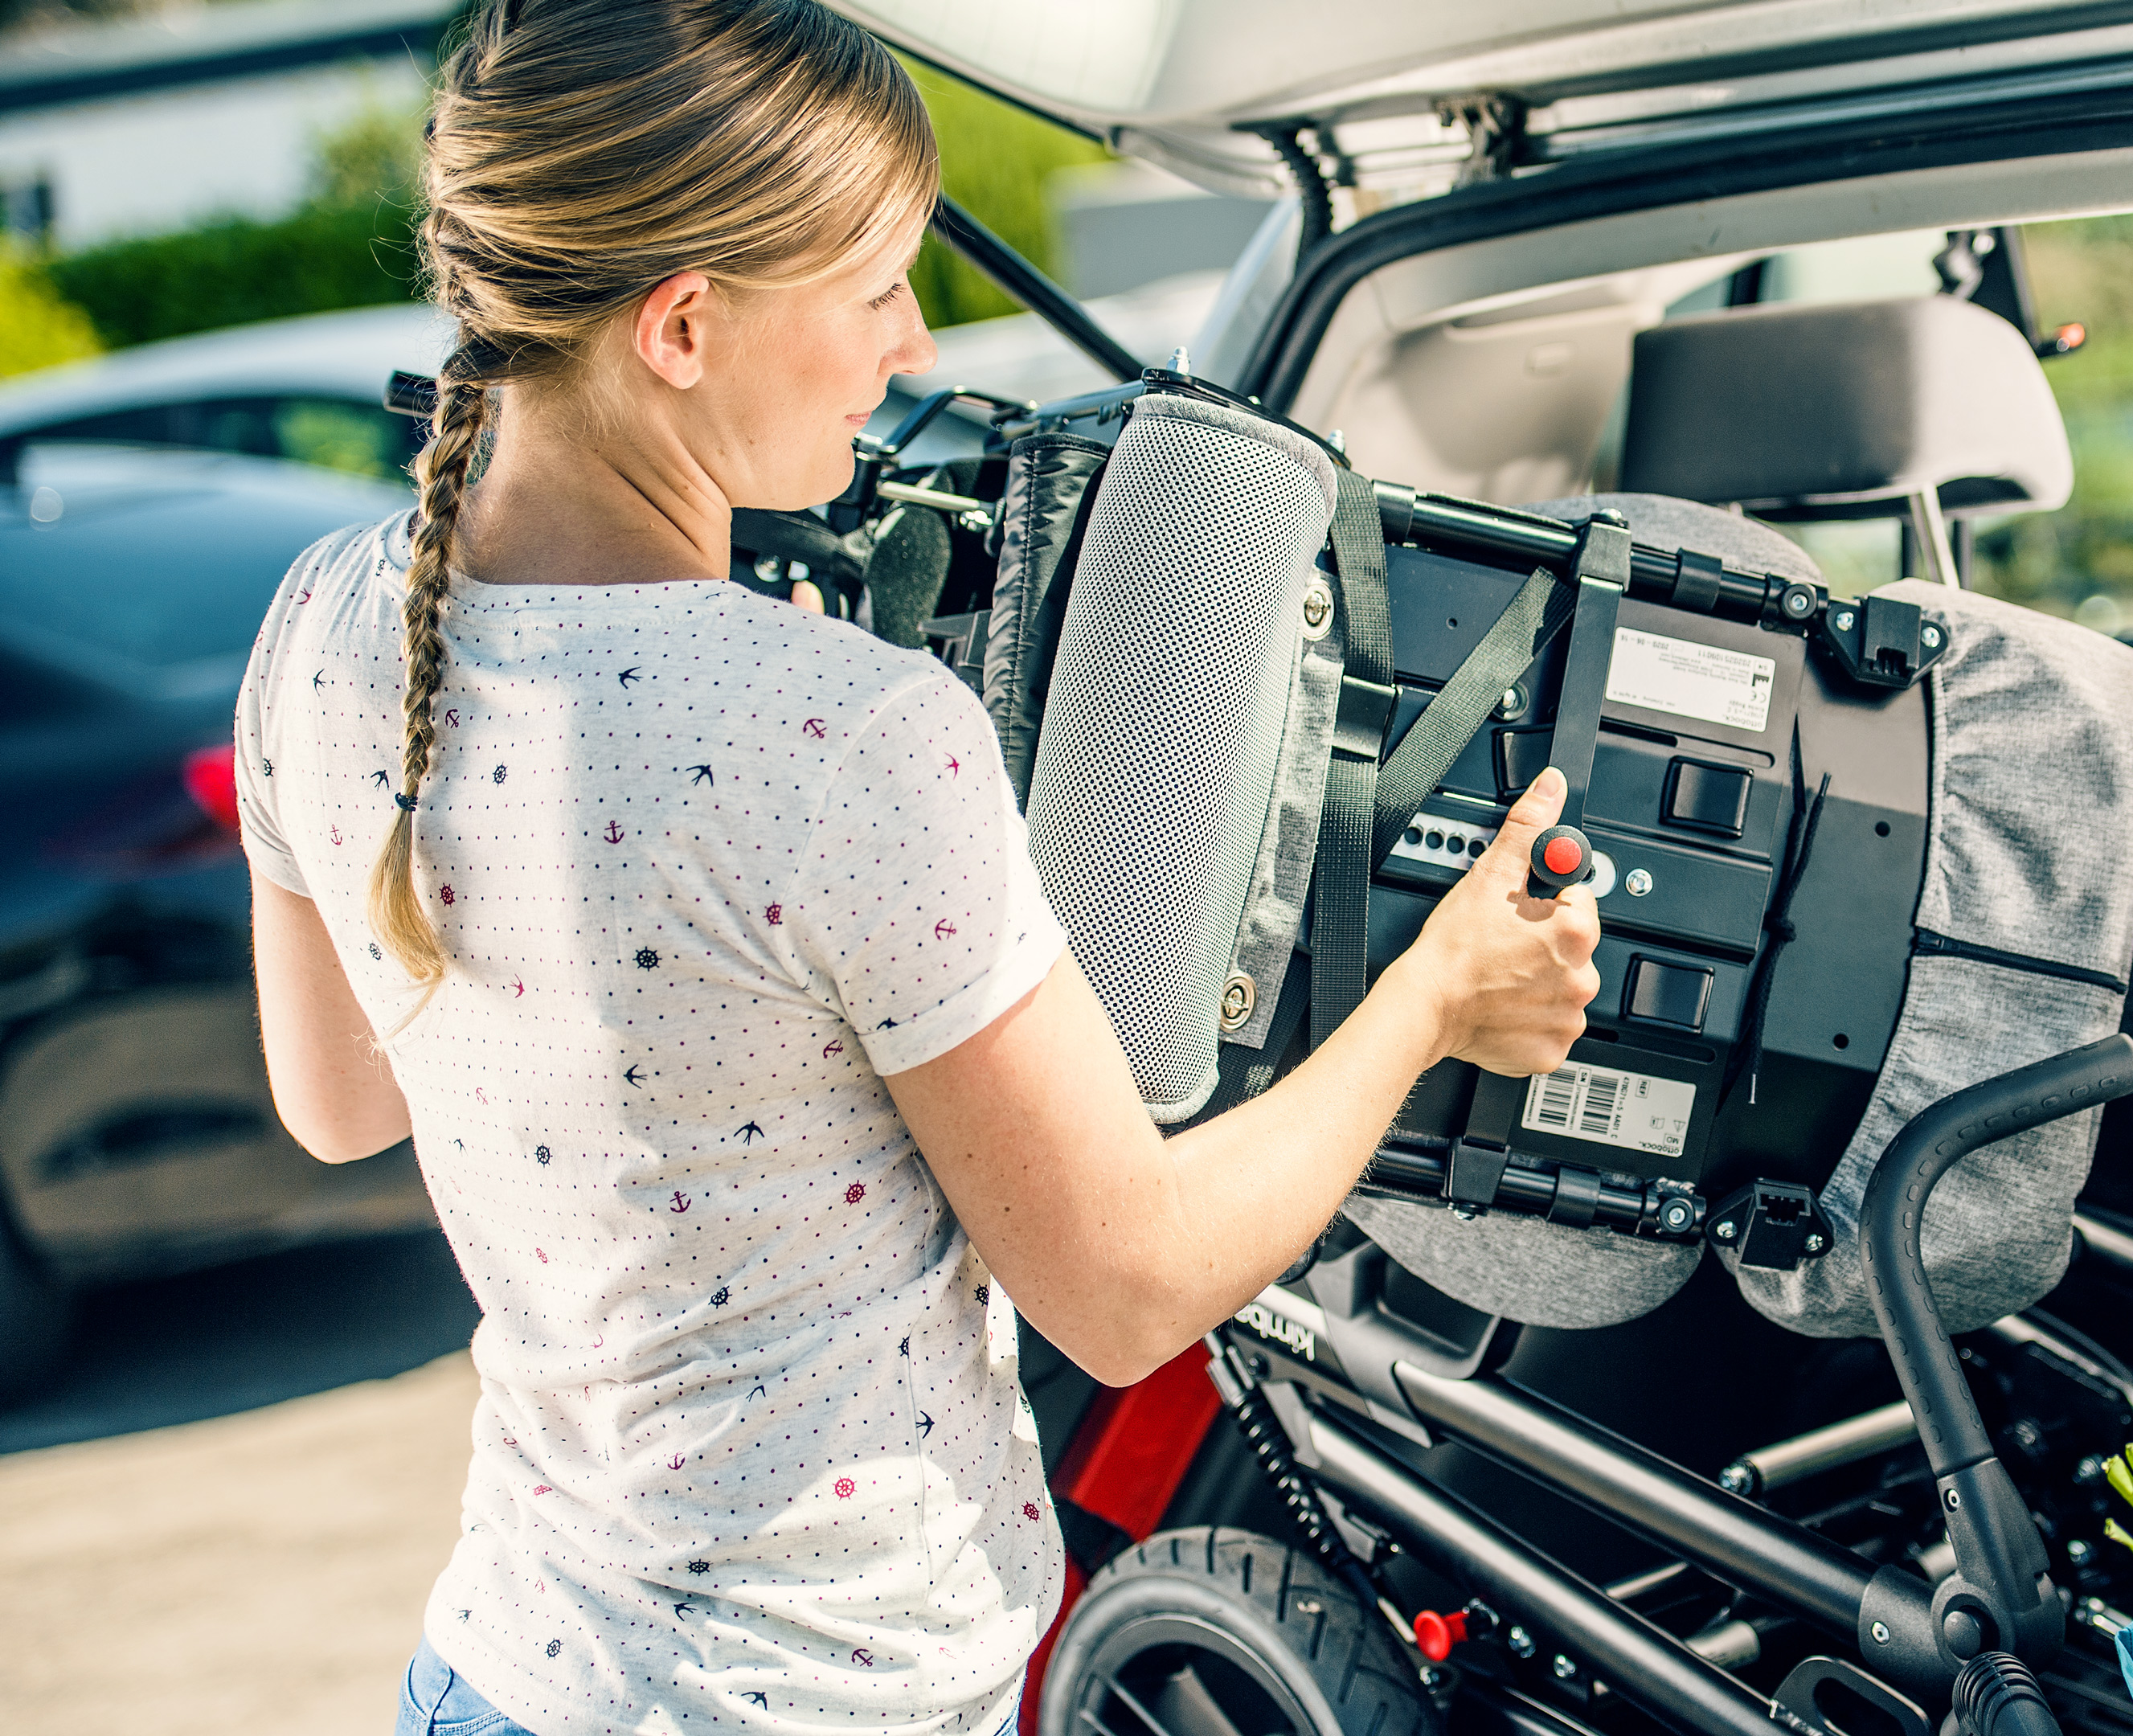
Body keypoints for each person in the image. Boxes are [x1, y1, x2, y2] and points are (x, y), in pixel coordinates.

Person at [236, 3, 1601, 1731]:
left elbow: (342, 1102)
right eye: (878, 286)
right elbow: (1128, 1291)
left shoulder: (321, 625)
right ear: (681, 326)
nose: (912, 342)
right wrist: (1436, 999)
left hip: (507, 1671)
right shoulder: (846, 736)